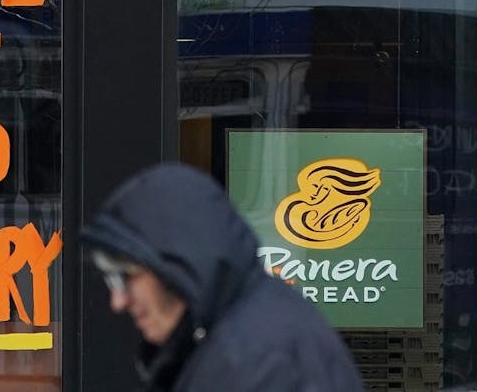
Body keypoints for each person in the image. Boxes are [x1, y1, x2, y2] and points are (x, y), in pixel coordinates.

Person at [82, 162, 365, 392]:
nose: (118, 301)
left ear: (178, 263)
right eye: (111, 281)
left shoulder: (257, 359)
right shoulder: (235, 337)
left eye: (125, 278)